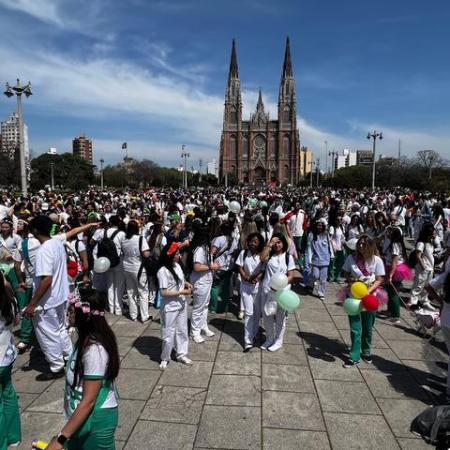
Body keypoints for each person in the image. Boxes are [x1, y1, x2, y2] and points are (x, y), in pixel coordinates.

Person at [45, 289, 120, 450]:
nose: (67, 314)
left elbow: (89, 400)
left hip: (95, 421)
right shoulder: (85, 340)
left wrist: (60, 439)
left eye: (71, 311)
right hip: (84, 418)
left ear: (84, 315)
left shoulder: (94, 351)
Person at [24, 215, 73, 381]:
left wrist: (32, 304)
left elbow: (46, 279)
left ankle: (56, 367)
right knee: (60, 329)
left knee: (47, 335)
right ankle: (70, 357)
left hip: (47, 301)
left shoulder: (43, 250)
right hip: (60, 296)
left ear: (35, 231)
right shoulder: (57, 243)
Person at [342, 235, 385, 368]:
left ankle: (366, 351)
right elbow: (345, 272)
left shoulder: (377, 260)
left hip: (370, 297)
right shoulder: (351, 258)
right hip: (353, 297)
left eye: (364, 244)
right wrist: (351, 280)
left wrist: (367, 291)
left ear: (371, 246)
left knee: (368, 326)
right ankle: (354, 356)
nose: (360, 246)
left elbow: (379, 279)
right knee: (355, 328)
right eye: (359, 243)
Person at [157, 242, 193, 370]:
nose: (179, 255)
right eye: (177, 254)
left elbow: (180, 280)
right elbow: (164, 292)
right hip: (170, 306)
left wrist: (186, 283)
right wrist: (182, 292)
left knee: (182, 330)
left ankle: (181, 354)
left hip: (181, 304)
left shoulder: (177, 266)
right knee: (168, 333)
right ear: (170, 255)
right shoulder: (163, 271)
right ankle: (165, 357)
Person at [259, 232, 296, 352]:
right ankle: (269, 339)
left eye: (279, 242)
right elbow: (261, 258)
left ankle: (278, 341)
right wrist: (269, 245)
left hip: (281, 293)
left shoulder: (288, 257)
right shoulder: (270, 255)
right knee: (267, 316)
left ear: (283, 243)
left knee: (280, 318)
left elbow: (291, 275)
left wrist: (280, 284)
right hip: (266, 290)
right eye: (274, 242)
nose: (277, 245)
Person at [0, 271, 21, 449]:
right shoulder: (10, 300)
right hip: (7, 355)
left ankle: (2, 442)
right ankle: (14, 436)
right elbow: (16, 322)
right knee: (8, 392)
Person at [189, 227, 220, 343]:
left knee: (205, 305)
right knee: (198, 307)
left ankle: (203, 326)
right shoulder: (200, 250)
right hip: (200, 282)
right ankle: (195, 332)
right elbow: (197, 267)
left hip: (206, 281)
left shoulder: (205, 248)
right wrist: (212, 267)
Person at [236, 233, 264, 351]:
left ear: (259, 243)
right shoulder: (243, 253)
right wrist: (245, 277)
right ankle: (247, 341)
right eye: (251, 241)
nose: (253, 243)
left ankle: (254, 333)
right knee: (249, 313)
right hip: (246, 287)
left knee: (257, 313)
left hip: (258, 287)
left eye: (255, 241)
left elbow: (264, 269)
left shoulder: (262, 255)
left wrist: (257, 278)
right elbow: (239, 267)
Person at [121, 220, 151, 323]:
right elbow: (146, 254)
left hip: (127, 267)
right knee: (143, 292)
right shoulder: (140, 239)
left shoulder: (124, 239)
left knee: (131, 292)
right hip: (138, 268)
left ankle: (133, 315)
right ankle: (144, 316)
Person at [408, 222, 436, 310]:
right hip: (423, 269)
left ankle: (424, 301)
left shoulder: (430, 243)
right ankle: (412, 302)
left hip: (430, 269)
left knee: (427, 287)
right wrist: (423, 266)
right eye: (434, 232)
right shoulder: (421, 243)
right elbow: (418, 255)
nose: (435, 233)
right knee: (418, 285)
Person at [306, 220, 333, 300]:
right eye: (318, 225)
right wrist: (309, 259)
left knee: (323, 278)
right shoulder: (311, 235)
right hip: (316, 259)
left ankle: (321, 293)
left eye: (321, 225)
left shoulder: (326, 235)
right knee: (315, 275)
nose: (319, 227)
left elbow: (330, 245)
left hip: (325, 259)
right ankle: (311, 285)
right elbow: (309, 248)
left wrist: (332, 254)